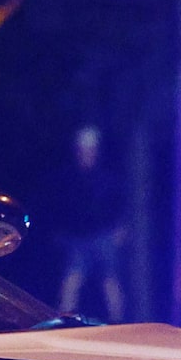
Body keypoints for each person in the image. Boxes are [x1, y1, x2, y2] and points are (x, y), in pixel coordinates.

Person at [53, 123, 128, 322]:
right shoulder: (69, 179)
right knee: (72, 279)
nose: (86, 154)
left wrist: (120, 229)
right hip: (78, 238)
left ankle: (117, 323)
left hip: (104, 236)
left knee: (110, 280)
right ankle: (65, 318)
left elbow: (118, 204)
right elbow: (63, 207)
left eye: (90, 150)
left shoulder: (107, 180)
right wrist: (62, 232)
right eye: (82, 150)